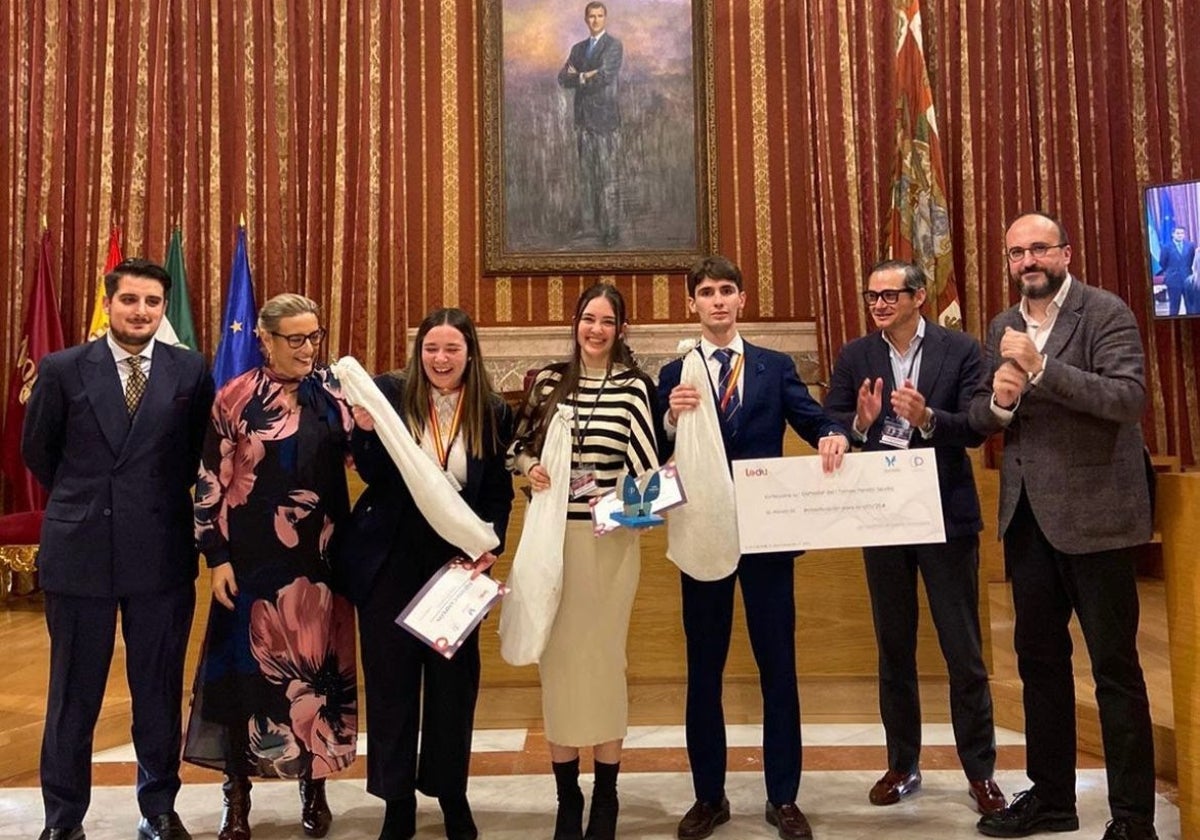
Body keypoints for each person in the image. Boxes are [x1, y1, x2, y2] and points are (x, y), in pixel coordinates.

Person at [969, 213, 1158, 840]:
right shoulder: (1002, 324)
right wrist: (999, 403)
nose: (1029, 261)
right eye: (1016, 251)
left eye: (1039, 249)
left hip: (1098, 519)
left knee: (1114, 670)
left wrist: (1044, 366)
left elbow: (1127, 399)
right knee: (1039, 665)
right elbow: (998, 414)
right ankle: (1052, 800)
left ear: (1065, 253)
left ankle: (1133, 818)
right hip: (1027, 520)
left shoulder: (1105, 312)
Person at [21, 258, 215, 840]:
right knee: (72, 695)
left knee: (156, 689)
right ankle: (63, 819)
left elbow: (196, 454)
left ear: (164, 307)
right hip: (80, 549)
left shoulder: (190, 369)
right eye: (130, 300)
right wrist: (90, 499)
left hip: (158, 550)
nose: (141, 312)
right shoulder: (63, 369)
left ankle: (158, 808)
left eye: (153, 302)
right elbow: (40, 453)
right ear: (110, 304)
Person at [657, 255, 849, 840]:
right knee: (704, 670)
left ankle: (783, 797)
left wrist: (835, 433)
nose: (717, 301)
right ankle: (709, 797)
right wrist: (670, 417)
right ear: (692, 303)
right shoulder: (674, 372)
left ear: (742, 300)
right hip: (703, 534)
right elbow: (656, 442)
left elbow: (811, 420)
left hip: (768, 537)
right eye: (707, 292)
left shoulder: (773, 366)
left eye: (727, 291)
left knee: (778, 669)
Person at [824, 259, 1005, 815]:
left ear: (919, 296)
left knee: (963, 651)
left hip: (944, 516)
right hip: (881, 516)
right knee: (894, 647)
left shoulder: (961, 349)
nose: (878, 304)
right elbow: (832, 418)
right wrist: (853, 426)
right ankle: (903, 764)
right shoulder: (858, 355)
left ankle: (981, 773)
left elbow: (977, 424)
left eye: (889, 295)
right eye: (871, 296)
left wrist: (928, 418)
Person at [185, 293, 358, 840]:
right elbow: (210, 480)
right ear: (266, 339)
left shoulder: (333, 394)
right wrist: (217, 559)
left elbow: (371, 457)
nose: (309, 348)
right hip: (253, 564)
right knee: (245, 683)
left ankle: (314, 787)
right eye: (296, 338)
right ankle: (236, 798)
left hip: (320, 562)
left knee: (315, 681)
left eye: (315, 336)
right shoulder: (234, 398)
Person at [340, 308, 515, 840]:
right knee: (391, 685)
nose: (441, 360)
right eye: (431, 349)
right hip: (389, 558)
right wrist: (367, 433)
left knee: (452, 687)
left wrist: (491, 546)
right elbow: (371, 473)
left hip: (457, 564)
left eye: (452, 350)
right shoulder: (390, 396)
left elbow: (497, 492)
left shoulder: (491, 410)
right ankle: (397, 803)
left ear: (470, 354)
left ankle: (451, 794)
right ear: (420, 354)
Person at [508, 283, 659, 840]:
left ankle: (608, 794)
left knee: (603, 665)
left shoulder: (635, 389)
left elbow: (647, 475)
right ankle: (567, 796)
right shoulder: (548, 381)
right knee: (560, 667)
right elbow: (515, 448)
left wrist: (616, 502)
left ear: (621, 330)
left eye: (606, 321)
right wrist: (529, 468)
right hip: (551, 539)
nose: (595, 329)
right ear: (576, 323)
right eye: (587, 318)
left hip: (609, 543)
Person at [557, 2, 623, 247]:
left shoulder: (613, 46)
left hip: (605, 122)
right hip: (584, 122)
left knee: (607, 179)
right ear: (586, 20)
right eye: (591, 16)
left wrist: (580, 76)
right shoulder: (578, 48)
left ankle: (611, 232)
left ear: (605, 18)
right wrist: (587, 74)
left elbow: (606, 77)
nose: (595, 20)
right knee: (588, 178)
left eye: (599, 16)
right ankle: (591, 228)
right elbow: (563, 78)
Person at [1158, 225, 1196, 316]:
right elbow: (1162, 263)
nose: (1180, 235)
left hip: (1187, 279)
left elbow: (1192, 261)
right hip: (1173, 280)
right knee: (1174, 307)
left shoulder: (1190, 246)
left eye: (1182, 233)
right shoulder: (1166, 247)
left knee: (1190, 307)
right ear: (1173, 234)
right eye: (1178, 233)